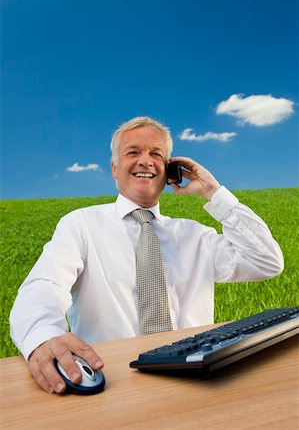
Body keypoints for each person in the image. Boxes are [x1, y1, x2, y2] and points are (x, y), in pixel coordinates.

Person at [10, 116, 284, 394]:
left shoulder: (196, 236)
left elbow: (266, 262)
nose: (145, 160)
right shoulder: (81, 225)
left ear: (169, 171)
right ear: (114, 168)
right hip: (114, 380)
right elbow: (45, 285)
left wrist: (214, 193)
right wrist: (44, 336)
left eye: (156, 154)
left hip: (195, 380)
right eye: (132, 152)